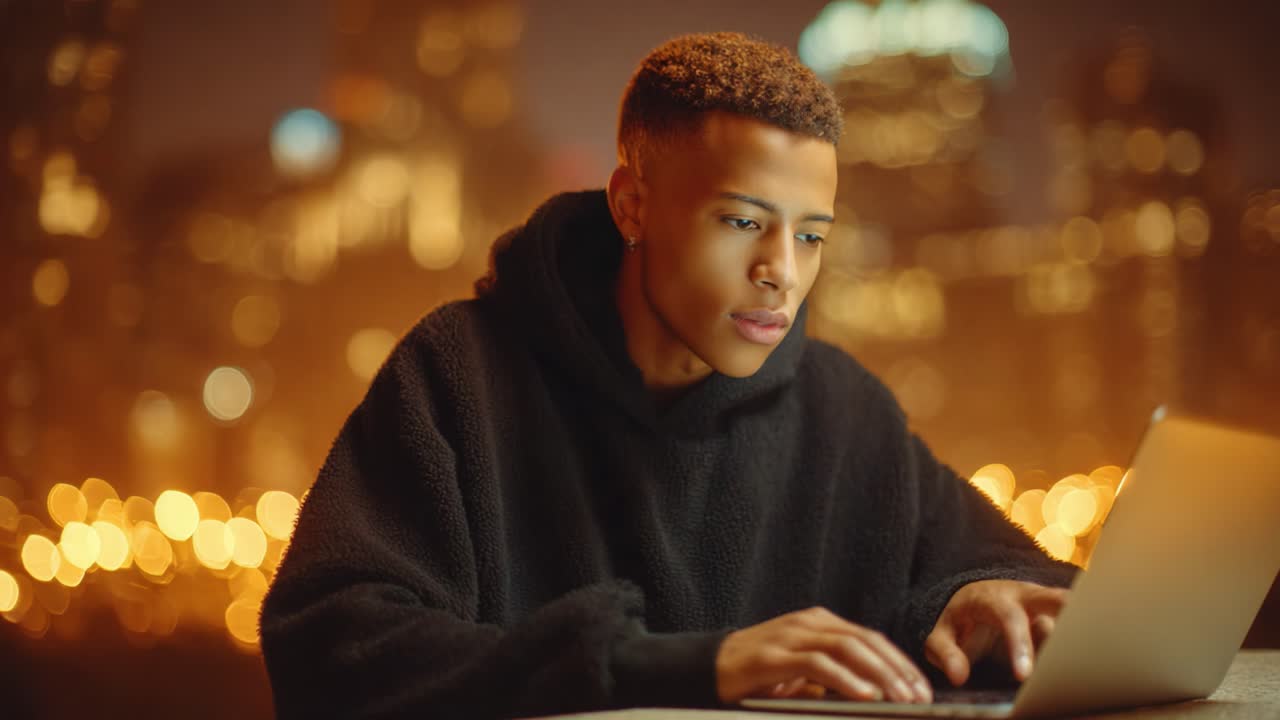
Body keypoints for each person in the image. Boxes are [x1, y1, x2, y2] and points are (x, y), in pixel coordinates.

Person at [259, 31, 1077, 719]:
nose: (781, 272)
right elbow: (331, 646)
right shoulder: (459, 374)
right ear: (632, 205)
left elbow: (1008, 568)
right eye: (743, 222)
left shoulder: (843, 407)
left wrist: (981, 592)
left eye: (812, 236)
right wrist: (678, 665)